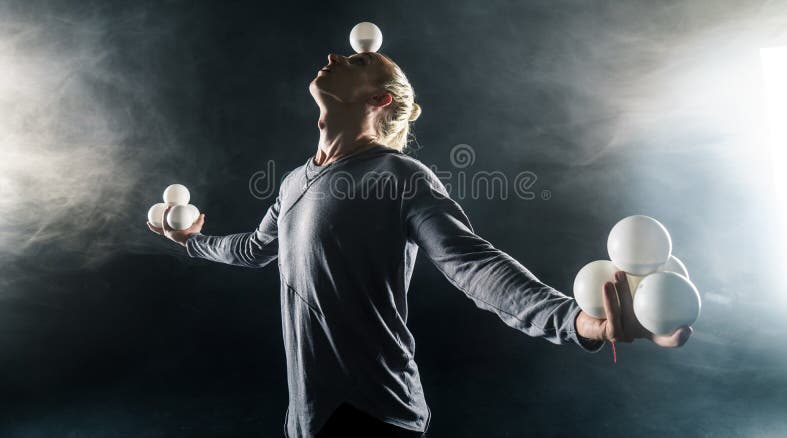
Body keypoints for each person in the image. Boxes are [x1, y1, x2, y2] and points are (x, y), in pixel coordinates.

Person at [148, 51, 693, 437]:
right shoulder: (293, 182)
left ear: (378, 100)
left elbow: (475, 266)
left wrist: (581, 323)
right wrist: (192, 242)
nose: (336, 55)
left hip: (375, 415)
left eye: (359, 62)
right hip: (305, 417)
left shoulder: (399, 175)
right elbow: (254, 248)